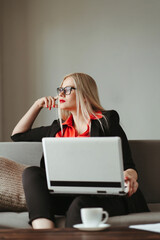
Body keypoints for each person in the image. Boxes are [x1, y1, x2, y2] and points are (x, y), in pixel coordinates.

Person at [11, 73, 149, 229]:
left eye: (68, 89)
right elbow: (18, 135)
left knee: (80, 205)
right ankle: (44, 232)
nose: (60, 94)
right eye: (60, 89)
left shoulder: (106, 121)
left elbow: (129, 166)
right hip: (66, 196)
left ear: (85, 95)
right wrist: (37, 105)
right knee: (32, 172)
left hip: (105, 197)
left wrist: (128, 176)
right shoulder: (58, 128)